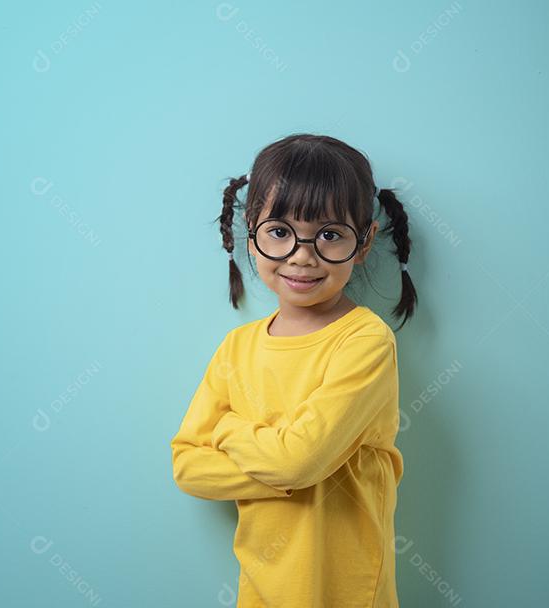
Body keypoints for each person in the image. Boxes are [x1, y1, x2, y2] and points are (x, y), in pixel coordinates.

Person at [170, 133, 418, 607]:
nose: (302, 256)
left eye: (329, 234)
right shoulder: (236, 348)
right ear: (252, 233)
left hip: (345, 590)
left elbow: (299, 461)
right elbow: (188, 466)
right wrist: (299, 469)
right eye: (281, 231)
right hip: (263, 589)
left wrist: (229, 431)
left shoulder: (364, 341)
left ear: (362, 242)